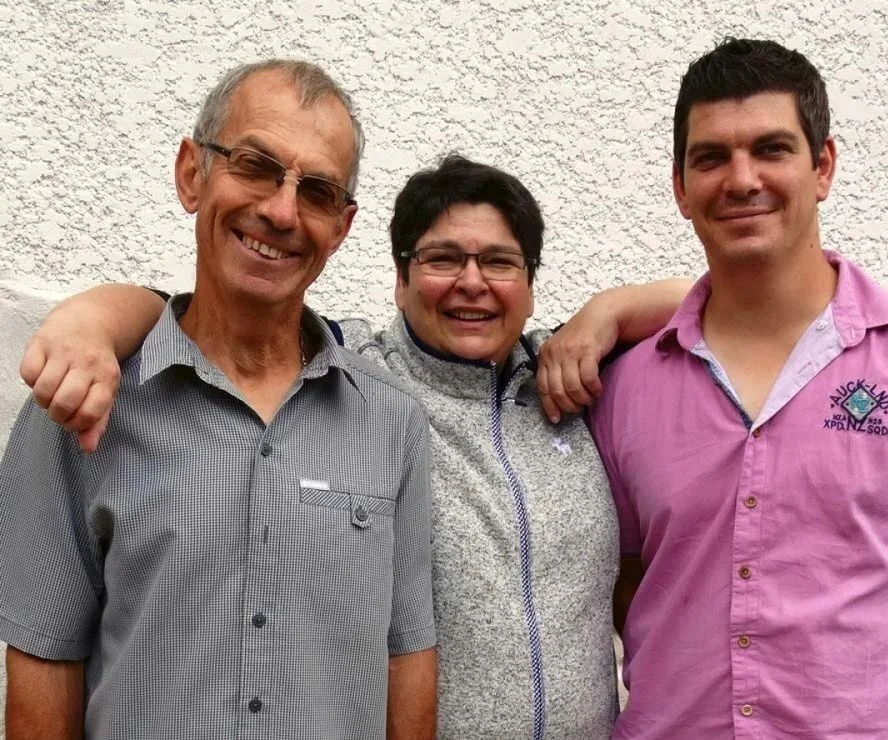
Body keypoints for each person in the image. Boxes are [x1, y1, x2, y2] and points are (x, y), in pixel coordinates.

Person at [15, 153, 691, 737]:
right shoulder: (361, 372)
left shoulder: (572, 379)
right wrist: (90, 319)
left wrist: (608, 309)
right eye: (442, 258)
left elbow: (726, 299)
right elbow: (192, 317)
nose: (472, 282)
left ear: (530, 282)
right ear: (399, 278)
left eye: (499, 262)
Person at [0, 59, 438, 740]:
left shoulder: (392, 422)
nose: (282, 211)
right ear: (191, 173)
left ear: (342, 226)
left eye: (317, 191)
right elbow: (43, 673)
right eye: (255, 165)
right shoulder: (80, 407)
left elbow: (406, 661)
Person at [586, 38, 888, 739]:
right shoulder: (623, 385)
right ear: (680, 187)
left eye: (771, 149)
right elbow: (624, 580)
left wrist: (882, 704)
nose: (741, 180)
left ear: (822, 165)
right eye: (711, 157)